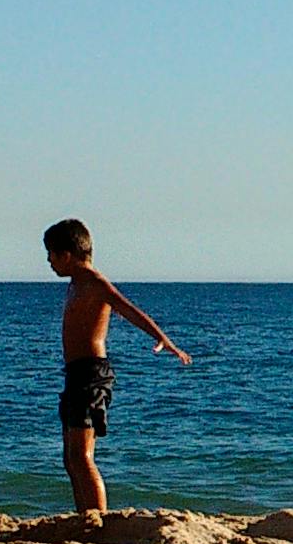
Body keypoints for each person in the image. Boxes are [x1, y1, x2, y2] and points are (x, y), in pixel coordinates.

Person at [44, 218, 188, 514]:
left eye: (51, 254)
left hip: (91, 374)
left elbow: (127, 308)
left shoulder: (94, 282)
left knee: (82, 456)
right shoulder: (75, 283)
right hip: (76, 374)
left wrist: (162, 338)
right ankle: (85, 516)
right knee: (70, 458)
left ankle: (98, 520)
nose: (48, 261)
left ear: (67, 255)